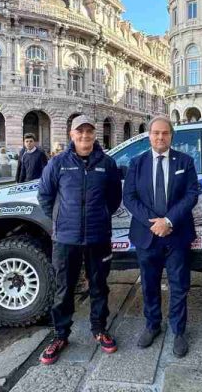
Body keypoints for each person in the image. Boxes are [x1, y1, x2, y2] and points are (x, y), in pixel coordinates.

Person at [37, 115, 123, 365]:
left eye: (89, 131)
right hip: (66, 238)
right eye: (80, 131)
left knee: (99, 286)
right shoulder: (58, 163)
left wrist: (101, 215)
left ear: (95, 134)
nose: (85, 135)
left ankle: (99, 328)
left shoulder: (107, 164)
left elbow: (114, 198)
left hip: (98, 236)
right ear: (71, 134)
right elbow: (45, 196)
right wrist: (62, 219)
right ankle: (60, 335)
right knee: (64, 288)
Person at [122, 116, 199, 358]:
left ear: (171, 136)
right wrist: (154, 223)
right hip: (147, 235)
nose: (160, 137)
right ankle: (152, 325)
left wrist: (168, 221)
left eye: (165, 133)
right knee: (149, 283)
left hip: (177, 233)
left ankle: (178, 330)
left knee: (179, 284)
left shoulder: (185, 161)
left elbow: (191, 194)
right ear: (149, 136)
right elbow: (129, 197)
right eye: (156, 133)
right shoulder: (137, 163)